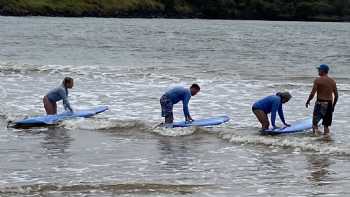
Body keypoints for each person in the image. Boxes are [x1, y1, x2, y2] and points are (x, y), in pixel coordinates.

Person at [306, 64, 338, 136]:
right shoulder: (332, 81)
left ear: (323, 71)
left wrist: (308, 101)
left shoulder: (318, 80)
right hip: (329, 104)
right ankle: (326, 141)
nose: (318, 71)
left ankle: (315, 140)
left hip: (320, 103)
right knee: (326, 125)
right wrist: (333, 106)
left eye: (319, 70)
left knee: (315, 123)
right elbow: (336, 96)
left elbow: (312, 94)